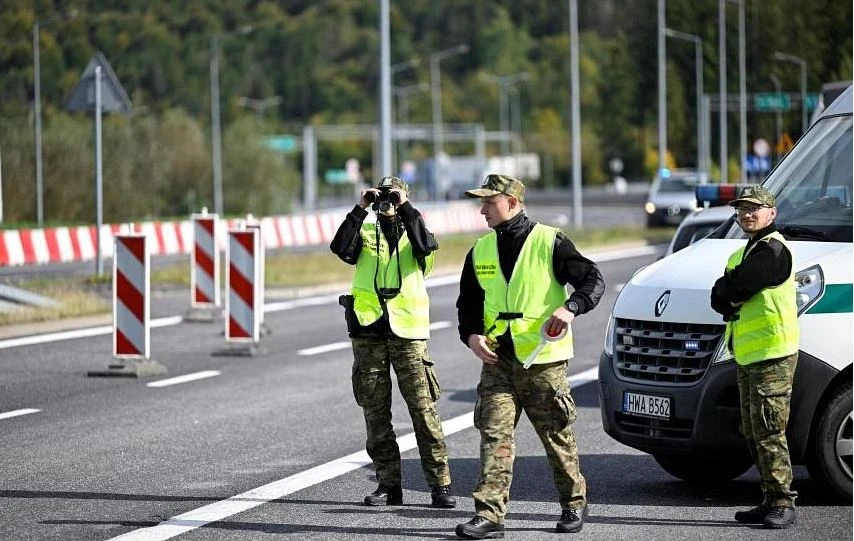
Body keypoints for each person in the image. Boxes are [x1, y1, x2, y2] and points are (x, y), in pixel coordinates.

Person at [454, 174, 604, 538]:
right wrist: (472, 336)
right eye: (482, 202)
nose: (483, 209)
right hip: (498, 359)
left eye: (489, 202)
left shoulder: (549, 241)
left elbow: (593, 280)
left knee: (556, 435)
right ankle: (489, 515)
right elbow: (468, 305)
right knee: (493, 435)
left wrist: (570, 307)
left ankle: (573, 504)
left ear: (513, 202)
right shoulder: (481, 249)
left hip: (542, 359)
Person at [330, 176, 456, 509]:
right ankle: (388, 484)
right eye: (382, 196)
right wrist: (361, 208)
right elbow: (341, 248)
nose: (386, 201)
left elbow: (426, 249)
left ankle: (440, 484)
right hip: (368, 329)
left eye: (392, 196)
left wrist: (405, 207)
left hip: (408, 334)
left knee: (423, 411)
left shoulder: (416, 232)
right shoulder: (366, 230)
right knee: (375, 413)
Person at [710, 185, 799, 529]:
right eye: (742, 209)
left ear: (771, 213)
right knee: (752, 429)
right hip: (750, 354)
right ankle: (768, 499)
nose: (747, 214)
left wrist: (729, 290)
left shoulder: (772, 250)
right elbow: (720, 294)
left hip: (772, 354)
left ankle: (782, 502)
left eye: (754, 209)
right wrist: (727, 291)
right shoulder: (746, 251)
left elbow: (738, 286)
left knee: (768, 429)